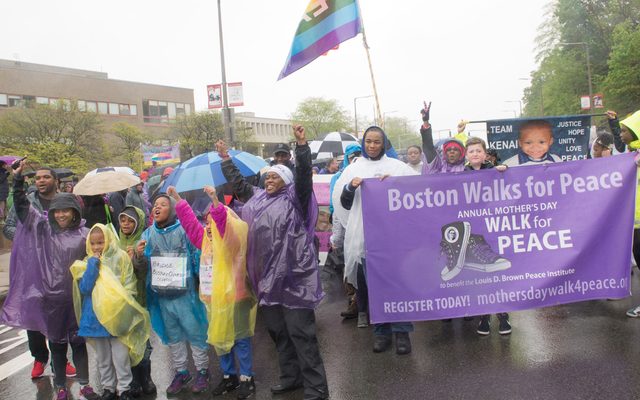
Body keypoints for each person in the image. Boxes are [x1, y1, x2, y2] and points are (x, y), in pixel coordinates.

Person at [219, 126, 329, 400]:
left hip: (294, 280)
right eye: (267, 176)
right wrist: (225, 161)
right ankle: (291, 377)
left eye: (275, 176)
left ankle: (316, 386)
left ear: (285, 180)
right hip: (267, 281)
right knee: (279, 333)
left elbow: (304, 177)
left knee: (301, 334)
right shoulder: (257, 199)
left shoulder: (296, 199)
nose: (269, 179)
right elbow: (241, 186)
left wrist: (302, 147)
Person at [0, 160, 98, 400]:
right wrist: (19, 181)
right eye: (57, 211)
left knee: (78, 344)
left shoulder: (85, 235)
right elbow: (23, 208)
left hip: (77, 299)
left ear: (75, 212)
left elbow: (101, 256)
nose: (62, 214)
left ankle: (85, 384)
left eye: (67, 210)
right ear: (51, 213)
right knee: (56, 345)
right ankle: (61, 387)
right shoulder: (44, 230)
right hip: (51, 299)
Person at [334, 126, 418, 354]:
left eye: (376, 142)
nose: (372, 146)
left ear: (384, 143)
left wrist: (396, 184)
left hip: (395, 239)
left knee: (398, 286)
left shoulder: (398, 168)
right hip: (366, 239)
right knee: (374, 288)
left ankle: (402, 333)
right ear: (363, 143)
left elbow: (418, 194)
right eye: (368, 141)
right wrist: (351, 188)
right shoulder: (353, 169)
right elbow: (344, 204)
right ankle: (381, 332)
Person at [169, 185, 258, 399]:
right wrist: (178, 200)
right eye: (207, 219)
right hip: (213, 298)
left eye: (213, 219)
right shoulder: (206, 240)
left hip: (235, 296)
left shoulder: (233, 240)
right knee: (219, 338)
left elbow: (224, 226)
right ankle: (229, 377)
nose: (209, 223)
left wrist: (216, 202)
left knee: (240, 338)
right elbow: (191, 225)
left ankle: (247, 378)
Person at [1, 166, 77, 380]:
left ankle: (60, 360)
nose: (41, 181)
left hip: (57, 265)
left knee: (57, 313)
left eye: (45, 177)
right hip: (31, 266)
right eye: (37, 178)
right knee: (32, 308)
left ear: (56, 180)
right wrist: (30, 235)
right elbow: (8, 227)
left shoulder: (65, 201)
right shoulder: (27, 200)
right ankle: (39, 357)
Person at [133, 194, 210, 395]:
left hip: (187, 296)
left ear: (173, 209)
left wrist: (200, 284)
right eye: (155, 204)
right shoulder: (147, 235)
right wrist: (138, 256)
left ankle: (202, 370)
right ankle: (181, 372)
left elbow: (198, 255)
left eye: (163, 204)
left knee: (196, 333)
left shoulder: (184, 231)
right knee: (173, 336)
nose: (157, 207)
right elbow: (141, 270)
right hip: (163, 297)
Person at [70, 224, 150, 400]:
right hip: (96, 318)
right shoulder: (87, 262)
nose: (97, 246)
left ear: (108, 240)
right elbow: (85, 288)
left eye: (101, 242)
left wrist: (123, 306)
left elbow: (129, 283)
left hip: (117, 316)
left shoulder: (120, 257)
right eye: (93, 243)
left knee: (121, 356)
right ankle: (108, 387)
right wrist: (93, 264)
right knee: (103, 358)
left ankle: (124, 388)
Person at [463, 137, 512, 335]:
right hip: (474, 232)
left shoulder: (494, 170)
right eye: (471, 151)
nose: (475, 154)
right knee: (480, 277)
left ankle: (503, 316)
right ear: (466, 155)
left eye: (478, 150)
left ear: (485, 154)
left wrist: (502, 169)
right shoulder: (460, 175)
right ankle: (483, 317)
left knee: (497, 276)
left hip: (493, 227)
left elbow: (508, 184)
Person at [117, 206, 156, 396]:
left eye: (130, 221)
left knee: (143, 342)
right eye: (123, 220)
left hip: (140, 300)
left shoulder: (143, 241)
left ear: (138, 222)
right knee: (127, 344)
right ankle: (133, 380)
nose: (125, 224)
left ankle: (146, 377)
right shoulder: (114, 243)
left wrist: (137, 258)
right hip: (122, 303)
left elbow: (143, 273)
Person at [419, 103, 466, 174]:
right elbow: (428, 148)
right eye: (448, 149)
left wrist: (460, 133)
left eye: (455, 149)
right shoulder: (438, 166)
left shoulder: (468, 169)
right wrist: (426, 122)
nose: (452, 151)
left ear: (461, 153)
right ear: (444, 153)